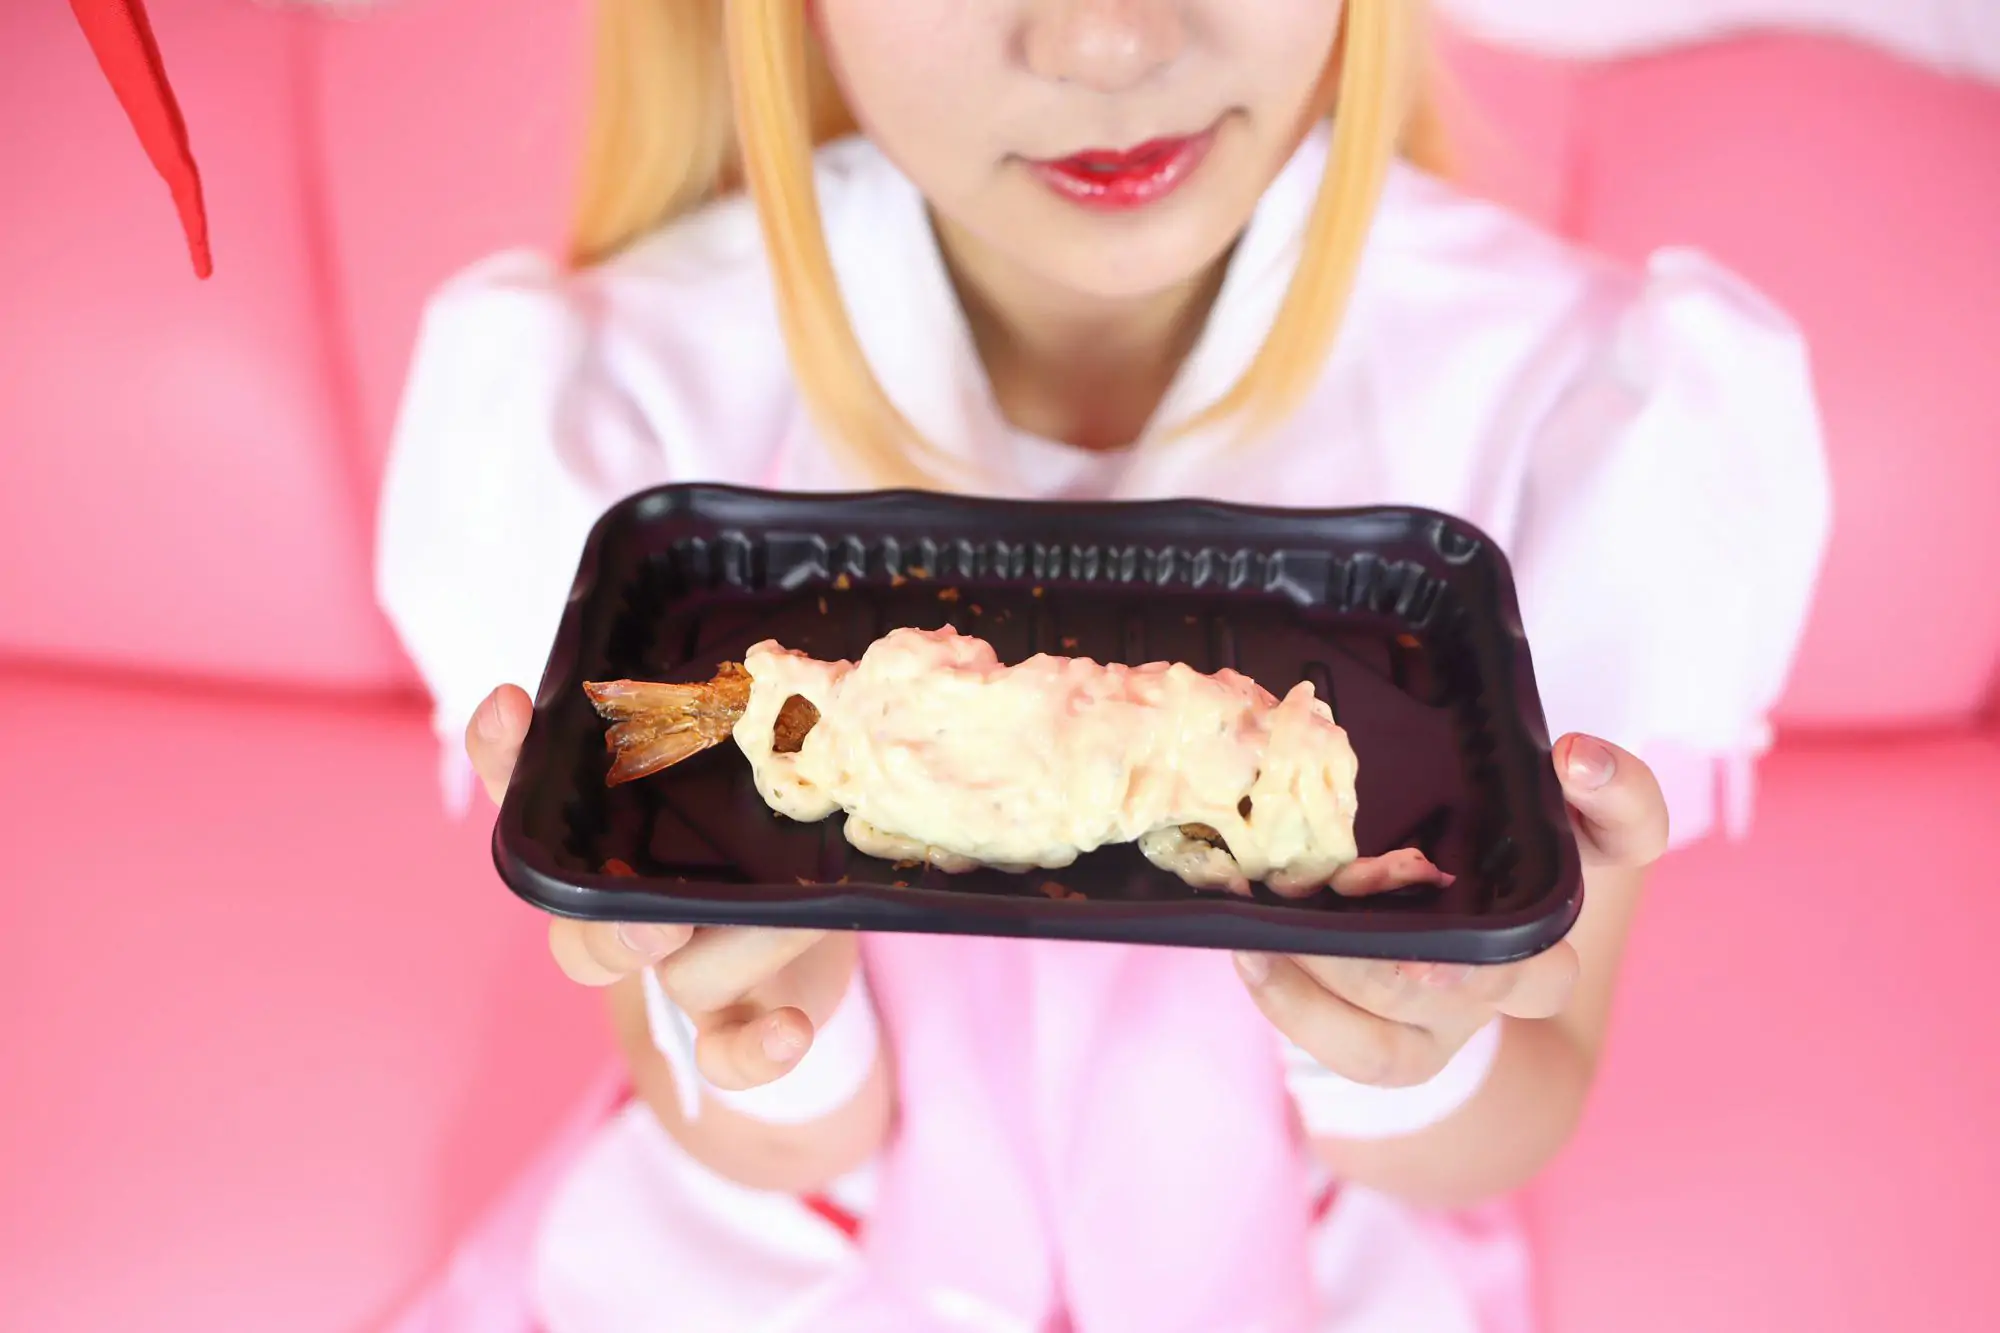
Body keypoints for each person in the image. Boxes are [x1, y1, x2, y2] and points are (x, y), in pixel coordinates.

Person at [373, 2, 1831, 1330]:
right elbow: (749, 1131)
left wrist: (1403, 1030)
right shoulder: (627, 405)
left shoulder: (1573, 408)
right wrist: (776, 1010)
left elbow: (1518, 1113)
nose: (1109, 43)